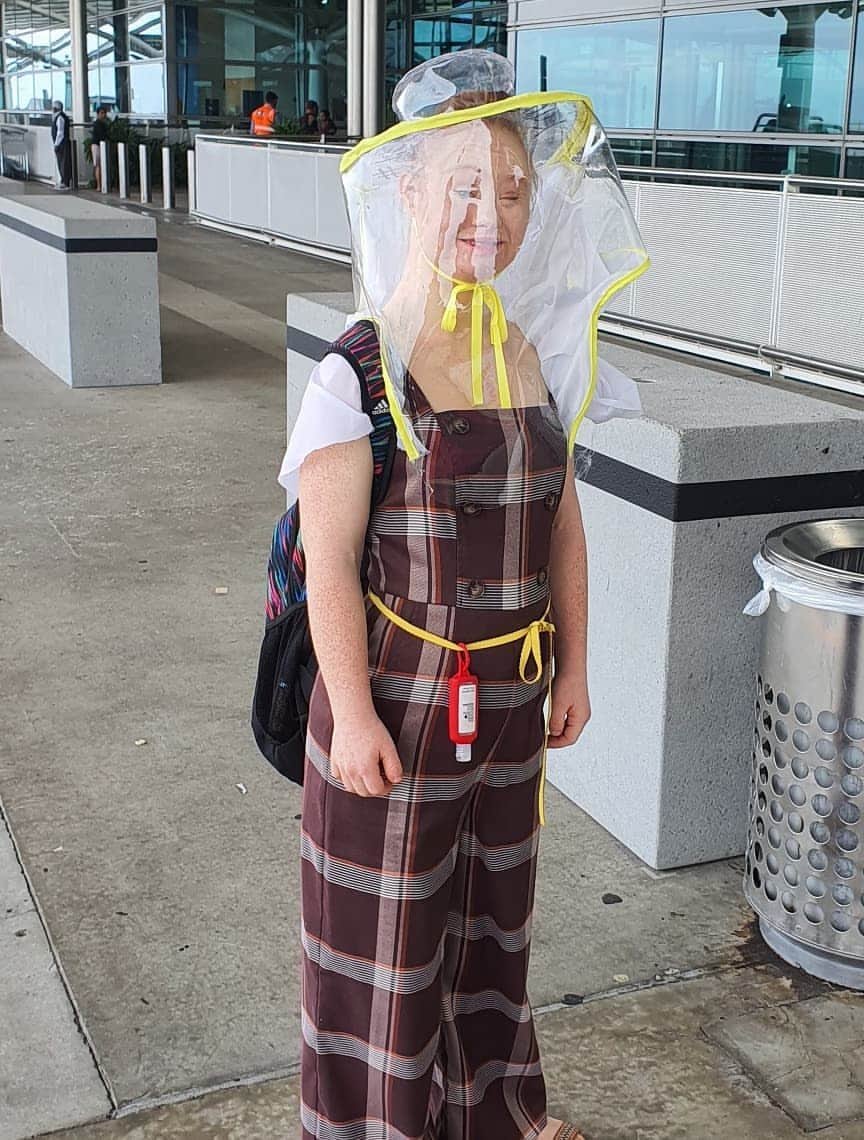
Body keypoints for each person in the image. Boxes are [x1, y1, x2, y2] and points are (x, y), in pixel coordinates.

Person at [282, 49, 648, 1140]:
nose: (496, 214)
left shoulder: (530, 356)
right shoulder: (359, 369)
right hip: (392, 711)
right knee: (387, 952)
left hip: (510, 709)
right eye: (469, 187)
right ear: (410, 192)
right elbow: (326, 561)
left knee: (495, 931)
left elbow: (563, 521)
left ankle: (503, 1116)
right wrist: (350, 715)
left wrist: (575, 662)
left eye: (517, 189)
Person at [50, 100, 72, 189]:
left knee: (63, 162)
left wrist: (56, 144)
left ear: (56, 108)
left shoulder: (60, 117)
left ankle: (65, 181)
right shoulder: (58, 117)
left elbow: (60, 133)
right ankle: (63, 180)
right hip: (62, 143)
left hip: (62, 143)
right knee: (61, 162)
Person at [91, 105, 109, 192]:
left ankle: (103, 184)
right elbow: (101, 136)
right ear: (98, 114)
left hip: (101, 145)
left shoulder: (103, 124)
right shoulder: (97, 123)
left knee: (101, 165)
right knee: (98, 165)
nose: (104, 115)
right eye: (102, 113)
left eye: (104, 113)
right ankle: (99, 185)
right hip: (97, 145)